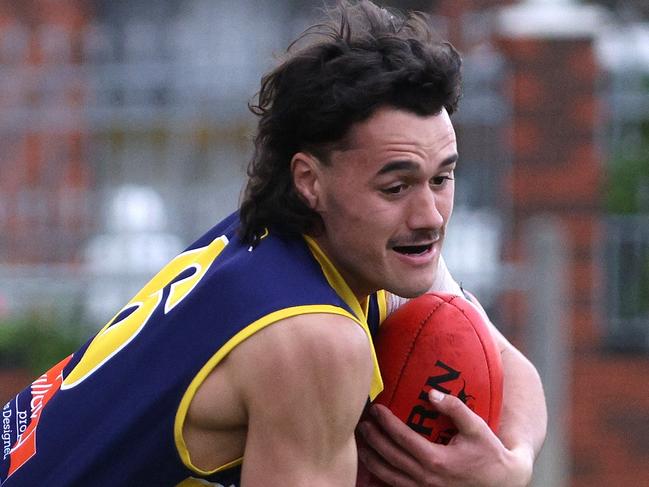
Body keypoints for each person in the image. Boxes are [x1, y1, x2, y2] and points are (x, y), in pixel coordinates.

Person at [0, 1, 546, 486]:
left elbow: (506, 363)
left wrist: (512, 463)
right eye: (396, 185)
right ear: (309, 180)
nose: (429, 216)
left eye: (441, 178)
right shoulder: (315, 337)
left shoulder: (304, 239)